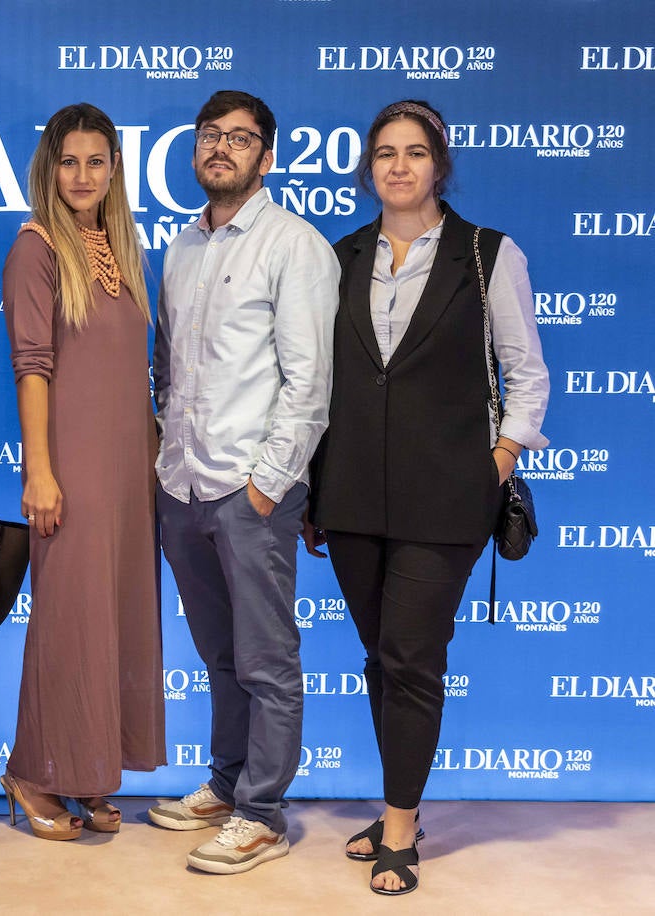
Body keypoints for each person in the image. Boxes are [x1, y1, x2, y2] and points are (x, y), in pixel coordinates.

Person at [306, 99, 549, 896]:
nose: (399, 166)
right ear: (368, 167)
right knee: (382, 660)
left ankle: (402, 824)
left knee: (411, 658)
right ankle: (397, 802)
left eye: (415, 153)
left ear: (439, 165)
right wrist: (313, 485)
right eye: (385, 153)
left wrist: (501, 458)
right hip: (347, 497)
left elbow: (526, 369)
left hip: (446, 499)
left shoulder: (485, 254)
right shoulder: (338, 256)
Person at [148, 90, 338, 874]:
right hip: (183, 483)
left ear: (267, 156)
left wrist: (267, 486)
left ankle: (262, 812)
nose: (220, 148)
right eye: (208, 136)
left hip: (248, 492)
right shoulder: (181, 248)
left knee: (266, 659)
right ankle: (227, 784)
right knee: (219, 652)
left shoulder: (296, 246)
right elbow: (168, 367)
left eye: (239, 138)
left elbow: (310, 383)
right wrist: (167, 454)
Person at [0, 103, 165, 840]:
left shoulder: (122, 249)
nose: (82, 175)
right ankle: (31, 771)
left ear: (115, 171)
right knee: (69, 619)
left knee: (114, 620)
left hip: (131, 471)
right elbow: (32, 368)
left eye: (96, 161)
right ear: (48, 168)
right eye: (69, 160)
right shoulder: (35, 248)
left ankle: (92, 772)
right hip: (71, 468)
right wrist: (40, 471)